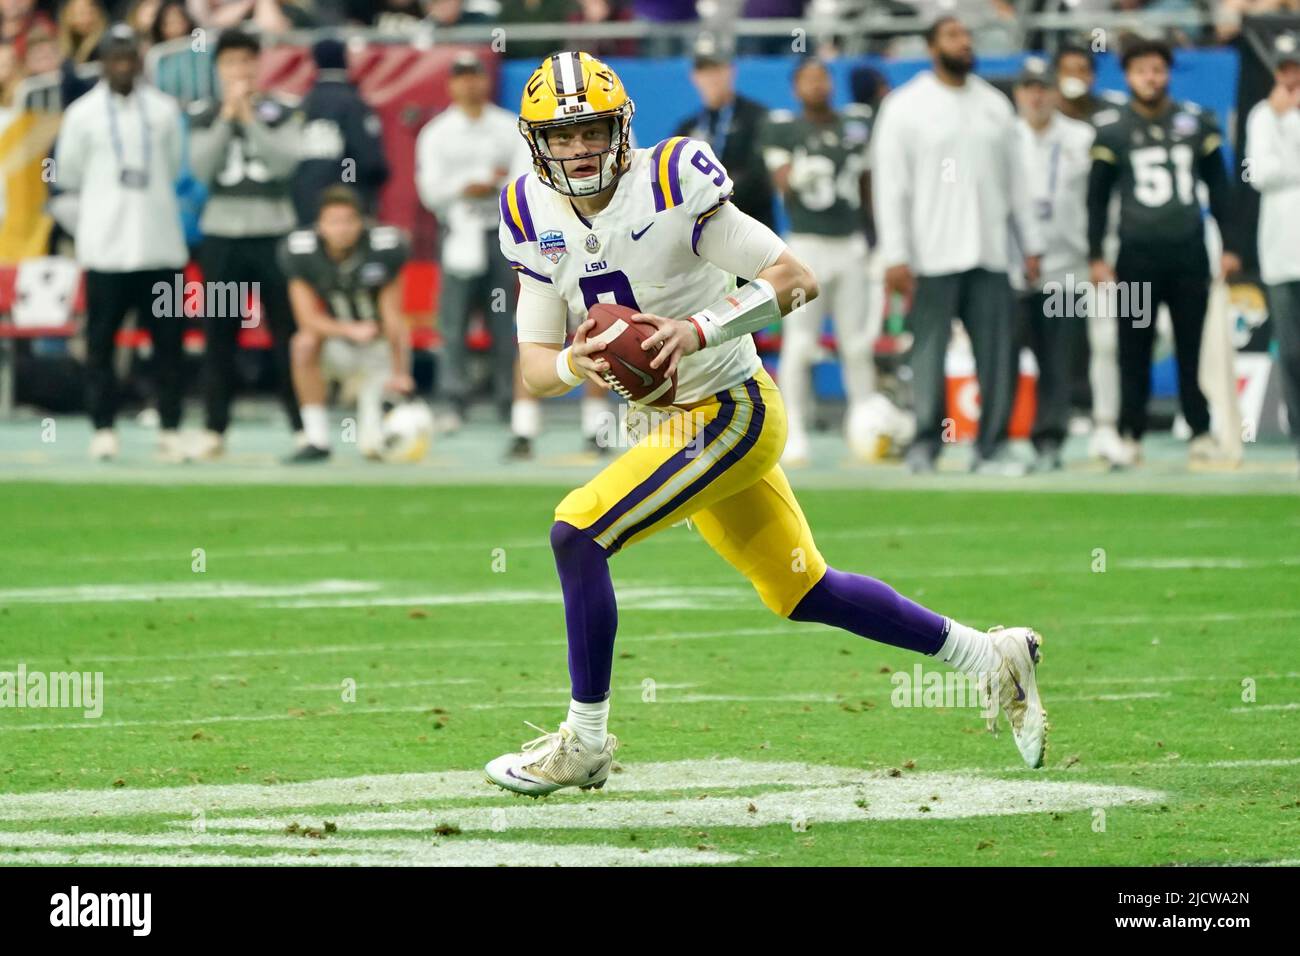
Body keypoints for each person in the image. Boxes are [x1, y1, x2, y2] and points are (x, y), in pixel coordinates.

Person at [482, 51, 1048, 797]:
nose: (579, 148)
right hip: (677, 425)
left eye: (591, 130)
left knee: (577, 533)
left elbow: (793, 278)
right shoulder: (527, 209)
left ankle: (585, 743)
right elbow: (533, 362)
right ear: (536, 143)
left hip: (732, 408)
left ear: (621, 128)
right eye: (562, 135)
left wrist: (701, 329)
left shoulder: (670, 180)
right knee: (801, 589)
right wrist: (571, 368)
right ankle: (988, 653)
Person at [871, 17, 1043, 475]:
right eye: (953, 37)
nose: (964, 43)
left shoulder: (994, 105)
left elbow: (1018, 182)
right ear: (931, 47)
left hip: (990, 251)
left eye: (967, 36)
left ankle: (992, 448)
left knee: (997, 354)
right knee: (927, 352)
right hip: (929, 255)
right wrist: (896, 254)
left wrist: (1031, 244)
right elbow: (892, 186)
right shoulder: (906, 106)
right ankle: (926, 444)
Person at [1087, 37, 1241, 468]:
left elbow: (1220, 188)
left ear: (1167, 73)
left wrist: (1229, 244)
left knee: (1194, 348)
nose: (1150, 78)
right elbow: (1096, 199)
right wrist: (1096, 254)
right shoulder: (1113, 129)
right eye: (1141, 71)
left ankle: (1200, 429)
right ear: (1128, 75)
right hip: (1136, 255)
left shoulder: (1195, 122)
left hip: (1188, 252)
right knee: (1133, 348)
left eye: (1156, 69)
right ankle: (1129, 432)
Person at [53, 24, 188, 461]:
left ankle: (169, 425)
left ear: (140, 61)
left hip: (159, 244)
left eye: (130, 58)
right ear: (103, 62)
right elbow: (69, 172)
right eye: (116, 58)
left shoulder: (164, 110)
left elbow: (172, 165)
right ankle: (104, 427)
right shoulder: (83, 114)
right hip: (106, 249)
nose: (123, 66)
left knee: (168, 344)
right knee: (102, 344)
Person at [188, 27, 303, 460]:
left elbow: (285, 164)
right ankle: (215, 428)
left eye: (247, 62)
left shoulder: (283, 108)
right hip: (222, 235)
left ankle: (301, 425)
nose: (241, 70)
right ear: (219, 69)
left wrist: (251, 118)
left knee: (286, 334)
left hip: (274, 232)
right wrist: (227, 119)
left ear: (259, 65)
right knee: (219, 336)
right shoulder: (203, 112)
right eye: (232, 62)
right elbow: (201, 168)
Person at [761, 57, 881, 465]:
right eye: (808, 79)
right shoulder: (782, 128)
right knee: (801, 343)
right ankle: (794, 429)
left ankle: (864, 426)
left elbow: (866, 184)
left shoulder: (855, 124)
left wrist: (876, 239)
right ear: (796, 88)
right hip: (806, 248)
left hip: (849, 244)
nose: (817, 85)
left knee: (857, 344)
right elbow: (785, 183)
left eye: (822, 77)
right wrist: (804, 172)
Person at [414, 52, 529, 440]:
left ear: (485, 80)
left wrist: (490, 185)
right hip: (459, 230)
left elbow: (524, 178)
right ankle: (452, 399)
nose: (469, 84)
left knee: (504, 319)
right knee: (454, 321)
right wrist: (471, 183)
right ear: (451, 84)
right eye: (461, 77)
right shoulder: (438, 132)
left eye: (475, 76)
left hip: (502, 232)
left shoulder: (508, 127)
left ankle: (507, 399)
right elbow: (430, 191)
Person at [282, 186, 411, 460]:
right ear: (320, 226)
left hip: (377, 350)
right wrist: (348, 330)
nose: (341, 229)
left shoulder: (383, 249)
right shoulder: (302, 254)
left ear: (360, 223)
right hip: (337, 347)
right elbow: (307, 319)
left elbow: (393, 317)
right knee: (303, 343)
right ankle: (316, 438)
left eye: (348, 221)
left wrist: (401, 372)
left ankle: (376, 411)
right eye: (334, 221)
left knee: (375, 449)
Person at [1011, 58, 1095, 472]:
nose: (1037, 95)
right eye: (1028, 87)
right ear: (1017, 94)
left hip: (1068, 268)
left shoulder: (1081, 138)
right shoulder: (1004, 138)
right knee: (1004, 358)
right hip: (1013, 272)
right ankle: (997, 440)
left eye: (1043, 86)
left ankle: (1050, 438)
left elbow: (1099, 201)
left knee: (1058, 360)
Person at [1245, 31, 1300, 474]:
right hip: (1281, 254)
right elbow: (1260, 174)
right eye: (1286, 70)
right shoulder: (1263, 116)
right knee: (1293, 351)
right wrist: (1282, 124)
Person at [674, 40, 776, 232]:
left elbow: (760, 177)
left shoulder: (757, 117)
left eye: (717, 68)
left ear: (731, 70)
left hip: (754, 231)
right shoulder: (687, 128)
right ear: (694, 76)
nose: (711, 77)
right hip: (704, 237)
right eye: (704, 70)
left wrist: (708, 197)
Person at [291, 36, 388, 225]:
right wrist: (349, 183)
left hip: (305, 198)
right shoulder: (351, 102)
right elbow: (361, 155)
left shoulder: (305, 102)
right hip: (345, 204)